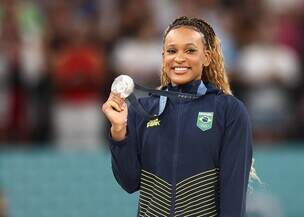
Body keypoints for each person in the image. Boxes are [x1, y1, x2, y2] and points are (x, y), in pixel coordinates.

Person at [102, 16, 253, 217]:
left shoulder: (229, 111)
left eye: (190, 50)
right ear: (163, 57)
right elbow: (130, 182)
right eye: (172, 51)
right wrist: (119, 131)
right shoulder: (143, 110)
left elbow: (233, 191)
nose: (179, 58)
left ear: (206, 57)